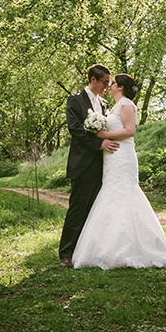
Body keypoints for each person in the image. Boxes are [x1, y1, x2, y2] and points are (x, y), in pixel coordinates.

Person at [71, 73, 166, 270]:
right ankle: (106, 245)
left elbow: (130, 131)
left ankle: (130, 245)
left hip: (122, 156)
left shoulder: (127, 104)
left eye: (112, 83)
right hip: (111, 158)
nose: (109, 85)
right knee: (110, 195)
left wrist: (104, 135)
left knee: (124, 194)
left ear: (120, 87)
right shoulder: (114, 107)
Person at [58, 64, 119, 267]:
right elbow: (74, 128)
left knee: (95, 210)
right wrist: (98, 143)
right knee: (77, 209)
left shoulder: (103, 103)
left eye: (108, 83)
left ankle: (87, 252)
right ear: (93, 79)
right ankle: (66, 254)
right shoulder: (75, 100)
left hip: (102, 165)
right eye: (104, 82)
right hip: (82, 163)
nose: (107, 86)